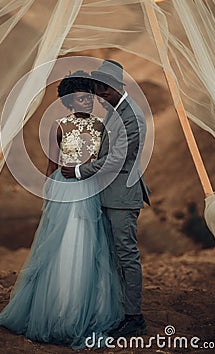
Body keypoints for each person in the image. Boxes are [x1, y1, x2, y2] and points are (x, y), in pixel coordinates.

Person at [0, 71, 124, 349]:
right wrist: (48, 192)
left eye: (90, 96)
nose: (88, 102)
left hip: (89, 190)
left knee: (89, 245)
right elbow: (52, 164)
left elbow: (103, 162)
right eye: (81, 97)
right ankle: (57, 310)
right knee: (60, 244)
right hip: (63, 189)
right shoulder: (59, 126)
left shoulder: (101, 126)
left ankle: (82, 309)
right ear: (68, 101)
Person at [62, 60, 150, 338]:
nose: (99, 97)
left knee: (126, 255)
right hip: (109, 195)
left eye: (102, 91)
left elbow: (115, 161)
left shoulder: (131, 116)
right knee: (113, 256)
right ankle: (119, 310)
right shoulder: (117, 111)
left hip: (122, 196)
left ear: (113, 88)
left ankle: (134, 318)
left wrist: (77, 170)